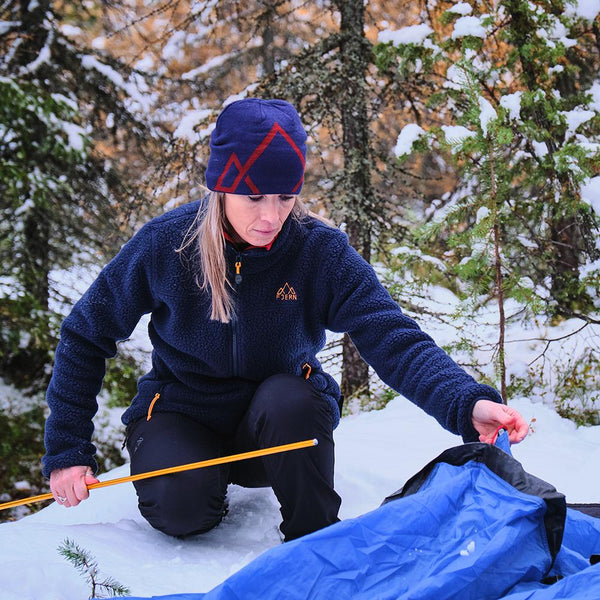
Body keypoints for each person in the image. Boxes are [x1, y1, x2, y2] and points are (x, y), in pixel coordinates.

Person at [43, 98, 529, 542]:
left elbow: (391, 335)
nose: (271, 216)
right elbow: (87, 333)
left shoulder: (319, 252)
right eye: (254, 197)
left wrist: (466, 404)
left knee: (289, 397)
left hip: (278, 425)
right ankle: (197, 481)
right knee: (180, 511)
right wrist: (67, 450)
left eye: (285, 197)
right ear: (221, 187)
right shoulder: (166, 245)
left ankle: (313, 534)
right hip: (182, 414)